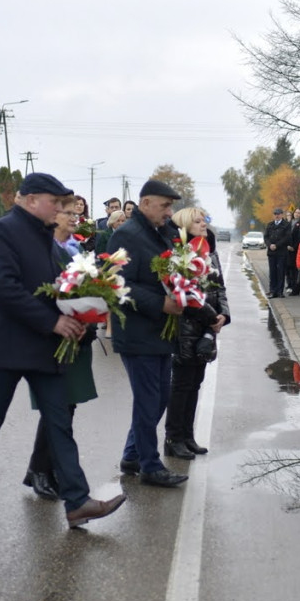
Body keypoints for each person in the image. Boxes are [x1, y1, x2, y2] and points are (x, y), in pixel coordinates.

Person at [0, 173, 125, 529]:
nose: (62, 210)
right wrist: (53, 323)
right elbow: (5, 289)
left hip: (46, 346)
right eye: (56, 203)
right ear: (30, 200)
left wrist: (78, 313)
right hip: (9, 345)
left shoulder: (46, 235)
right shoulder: (2, 232)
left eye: (64, 204)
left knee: (59, 421)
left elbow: (57, 288)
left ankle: (77, 501)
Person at [107, 179, 189, 487]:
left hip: (160, 332)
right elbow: (118, 285)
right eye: (165, 205)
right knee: (148, 400)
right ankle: (150, 466)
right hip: (137, 331)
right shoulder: (126, 236)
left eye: (171, 206)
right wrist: (162, 304)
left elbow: (175, 269)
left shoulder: (162, 233)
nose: (170, 212)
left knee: (159, 399)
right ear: (145, 204)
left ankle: (132, 455)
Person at [23, 196, 100, 501]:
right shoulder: (43, 251)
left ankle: (42, 468)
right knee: (55, 408)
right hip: (55, 338)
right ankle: (41, 470)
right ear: (52, 217)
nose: (73, 218)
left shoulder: (77, 249)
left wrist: (89, 318)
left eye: (74, 214)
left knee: (68, 406)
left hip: (78, 337)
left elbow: (90, 288)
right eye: (66, 213)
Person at [164, 207, 230, 459]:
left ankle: (188, 436)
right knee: (181, 385)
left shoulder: (209, 251)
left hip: (208, 327)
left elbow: (220, 287)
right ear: (184, 226)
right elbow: (183, 294)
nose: (204, 224)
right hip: (186, 327)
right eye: (197, 221)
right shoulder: (179, 255)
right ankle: (173, 438)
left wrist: (223, 315)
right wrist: (211, 316)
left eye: (204, 220)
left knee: (195, 384)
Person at [264, 208, 291, 298]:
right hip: (271, 252)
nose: (277, 215)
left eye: (278, 214)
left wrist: (277, 245)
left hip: (281, 252)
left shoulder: (286, 225)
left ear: (282, 215)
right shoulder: (270, 225)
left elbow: (287, 238)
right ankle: (272, 290)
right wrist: (269, 245)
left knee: (280, 272)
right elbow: (266, 237)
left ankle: (280, 291)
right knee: (272, 272)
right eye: (275, 214)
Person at [286, 208, 300, 295]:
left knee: (295, 269)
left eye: (299, 213)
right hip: (288, 249)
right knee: (289, 268)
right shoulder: (290, 223)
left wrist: (294, 247)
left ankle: (296, 288)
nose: (297, 214)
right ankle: (290, 285)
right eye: (296, 212)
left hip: (296, 249)